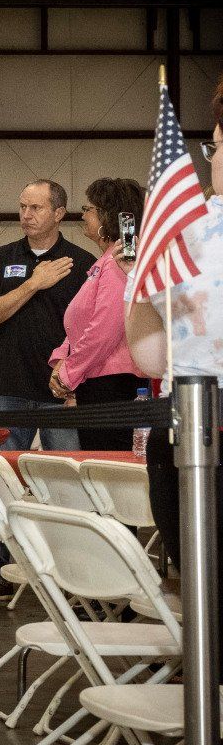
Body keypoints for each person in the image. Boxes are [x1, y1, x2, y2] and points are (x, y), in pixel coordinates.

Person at [126, 76, 223, 567]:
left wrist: (141, 279)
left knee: (198, 574)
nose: (211, 156)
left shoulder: (187, 236)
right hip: (190, 416)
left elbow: (148, 355)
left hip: (187, 419)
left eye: (216, 144)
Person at [0, 179, 96, 448]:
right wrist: (33, 284)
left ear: (58, 214)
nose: (26, 215)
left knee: (66, 480)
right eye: (22, 207)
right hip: (7, 388)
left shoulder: (83, 263)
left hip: (62, 389)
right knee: (0, 478)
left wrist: (76, 382)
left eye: (36, 208)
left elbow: (92, 330)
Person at [50, 177, 146, 450]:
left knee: (110, 470)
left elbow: (106, 329)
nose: (83, 214)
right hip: (98, 382)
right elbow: (81, 323)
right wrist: (61, 359)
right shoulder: (103, 262)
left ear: (107, 215)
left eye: (88, 208)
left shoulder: (120, 262)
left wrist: (68, 372)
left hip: (113, 386)